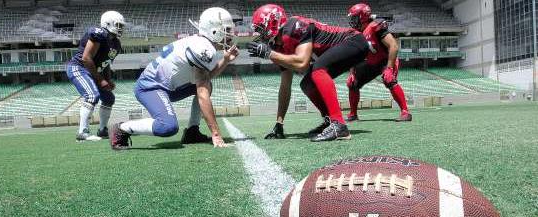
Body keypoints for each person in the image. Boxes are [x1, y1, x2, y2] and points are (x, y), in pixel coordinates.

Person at [109, 7, 238, 150]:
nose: (230, 35)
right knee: (168, 126)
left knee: (208, 85)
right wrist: (216, 134)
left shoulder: (199, 43)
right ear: (214, 31)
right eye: (226, 30)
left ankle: (192, 132)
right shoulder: (204, 49)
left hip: (168, 87)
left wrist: (225, 60)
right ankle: (122, 128)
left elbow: (205, 79)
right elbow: (202, 92)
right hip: (150, 87)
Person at [248, 4, 370, 142]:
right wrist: (279, 123)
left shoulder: (294, 25)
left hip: (354, 40)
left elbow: (301, 63)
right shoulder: (278, 46)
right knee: (307, 84)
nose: (259, 34)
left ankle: (339, 125)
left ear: (273, 22)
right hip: (345, 47)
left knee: (318, 70)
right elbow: (285, 86)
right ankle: (330, 120)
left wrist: (269, 54)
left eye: (261, 29)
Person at [346, 3, 412, 122]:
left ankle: (405, 112)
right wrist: (352, 72)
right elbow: (353, 55)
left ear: (362, 17)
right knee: (352, 83)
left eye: (354, 17)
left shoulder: (375, 26)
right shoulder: (355, 33)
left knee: (389, 79)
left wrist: (389, 68)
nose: (352, 20)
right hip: (371, 63)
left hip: (386, 61)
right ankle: (353, 114)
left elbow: (393, 46)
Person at [67, 11, 125, 141]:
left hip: (94, 71)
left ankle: (103, 130)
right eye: (118, 25)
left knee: (109, 98)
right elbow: (86, 58)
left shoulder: (116, 43)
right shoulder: (99, 33)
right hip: (79, 67)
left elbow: (106, 63)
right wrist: (101, 80)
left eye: (122, 26)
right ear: (108, 23)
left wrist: (108, 79)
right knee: (92, 95)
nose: (120, 28)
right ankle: (82, 132)